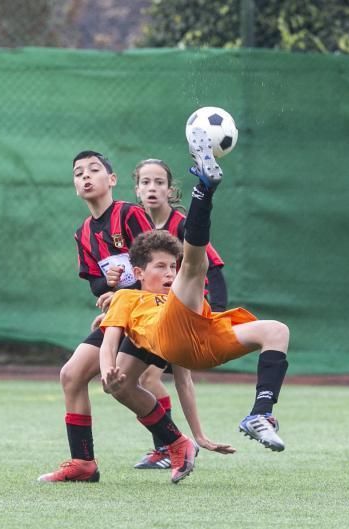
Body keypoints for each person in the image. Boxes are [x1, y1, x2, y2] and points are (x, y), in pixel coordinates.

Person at [98, 128, 291, 483]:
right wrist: (108, 371)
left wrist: (201, 435)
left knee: (276, 330)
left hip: (200, 342)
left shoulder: (176, 290)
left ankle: (261, 413)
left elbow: (184, 380)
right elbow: (110, 340)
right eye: (161, 267)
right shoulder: (129, 297)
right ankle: (205, 187)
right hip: (171, 334)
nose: (169, 272)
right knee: (195, 262)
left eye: (172, 266)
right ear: (138, 272)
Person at [37, 151, 233, 484]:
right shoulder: (83, 232)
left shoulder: (130, 214)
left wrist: (128, 289)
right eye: (78, 173)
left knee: (129, 382)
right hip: (124, 314)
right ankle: (85, 462)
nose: (85, 176)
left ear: (111, 180)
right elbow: (96, 284)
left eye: (94, 170)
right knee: (72, 375)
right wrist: (111, 284)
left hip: (153, 315)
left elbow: (164, 260)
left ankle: (173, 444)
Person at [130, 158, 230, 469]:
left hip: (184, 313)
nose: (152, 188)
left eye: (159, 182)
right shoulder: (136, 227)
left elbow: (213, 269)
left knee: (148, 378)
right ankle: (180, 443)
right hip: (153, 316)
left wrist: (219, 313)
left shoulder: (184, 225)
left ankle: (169, 446)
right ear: (136, 189)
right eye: (145, 182)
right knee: (143, 379)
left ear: (170, 189)